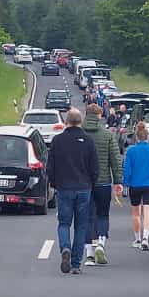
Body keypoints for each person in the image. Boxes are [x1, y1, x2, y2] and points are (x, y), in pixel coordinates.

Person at [47, 108, 99, 274]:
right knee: (81, 226)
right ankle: (76, 264)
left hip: (64, 188)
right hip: (84, 188)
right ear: (80, 122)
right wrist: (91, 183)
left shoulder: (57, 141)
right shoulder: (88, 141)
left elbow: (51, 167)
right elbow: (95, 168)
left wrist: (55, 184)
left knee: (64, 223)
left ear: (66, 122)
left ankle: (65, 248)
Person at [81, 103, 122, 266]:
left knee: (86, 217)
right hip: (103, 183)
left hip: (83, 183)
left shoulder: (80, 135)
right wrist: (118, 181)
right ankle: (101, 243)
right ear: (99, 116)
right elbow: (115, 159)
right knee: (103, 215)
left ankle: (89, 254)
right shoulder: (107, 135)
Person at [122, 120, 149, 251]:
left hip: (135, 185)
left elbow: (127, 170)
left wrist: (125, 184)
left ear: (136, 137)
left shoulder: (131, 151)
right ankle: (145, 238)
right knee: (148, 212)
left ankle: (137, 238)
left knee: (136, 212)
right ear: (148, 137)